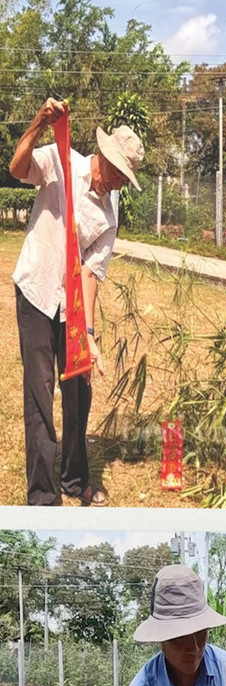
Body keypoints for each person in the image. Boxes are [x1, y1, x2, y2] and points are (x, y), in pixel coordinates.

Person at [10, 97, 144, 506]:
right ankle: (43, 496)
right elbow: (17, 169)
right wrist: (38, 123)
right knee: (40, 393)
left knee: (79, 392)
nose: (118, 184)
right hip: (36, 291)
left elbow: (89, 273)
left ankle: (72, 478)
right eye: (118, 174)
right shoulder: (60, 161)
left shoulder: (110, 212)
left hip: (71, 307)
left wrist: (88, 334)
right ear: (104, 157)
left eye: (125, 179)